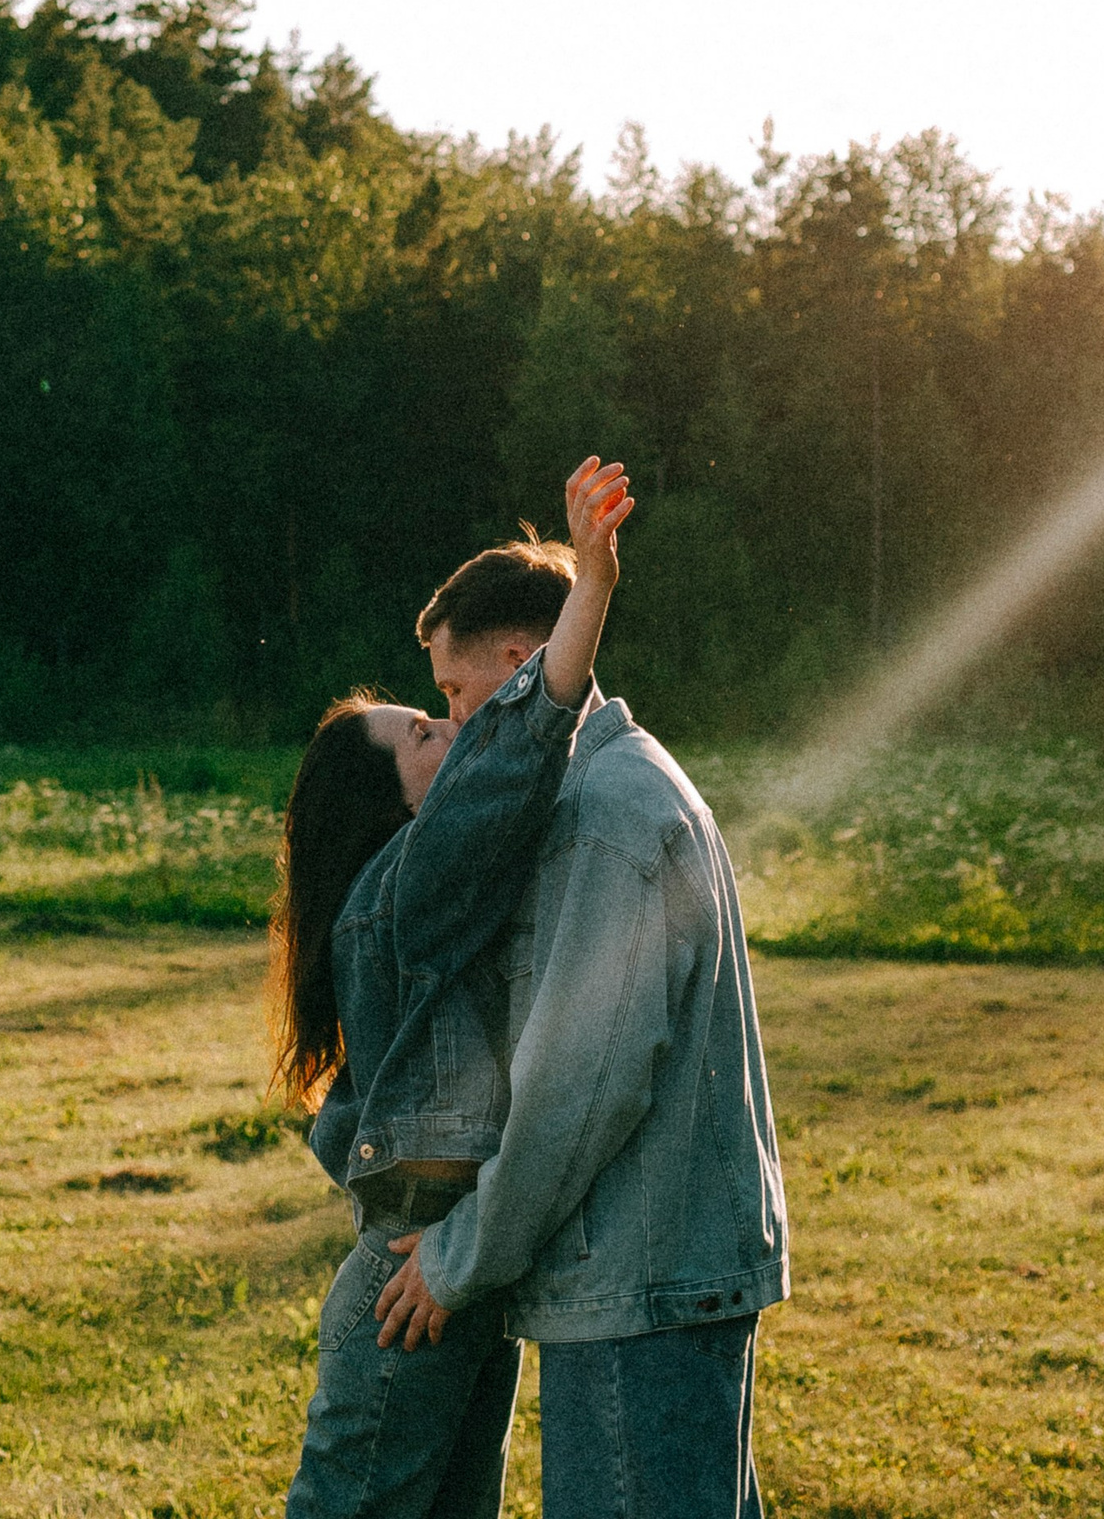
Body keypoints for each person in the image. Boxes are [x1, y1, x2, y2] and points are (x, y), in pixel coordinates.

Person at [370, 537, 790, 1519]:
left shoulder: (600, 818)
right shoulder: (629, 782)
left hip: (636, 1288)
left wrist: (455, 1254)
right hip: (664, 1277)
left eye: (459, 692)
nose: (456, 724)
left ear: (527, 663)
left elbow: (577, 1086)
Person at [272, 456, 634, 1519]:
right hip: (412, 1280)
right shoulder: (407, 885)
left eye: (435, 709)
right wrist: (593, 586)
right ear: (386, 806)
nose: (448, 729)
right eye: (422, 732)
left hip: (448, 1273)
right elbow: (526, 736)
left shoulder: (420, 899)